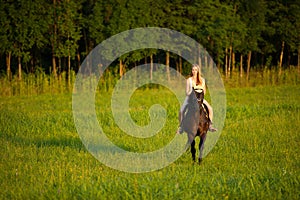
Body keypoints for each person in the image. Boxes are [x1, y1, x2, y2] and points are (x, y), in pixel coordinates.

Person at [177, 64, 217, 134]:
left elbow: (204, 91)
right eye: (193, 70)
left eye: (195, 70)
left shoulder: (202, 80)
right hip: (190, 98)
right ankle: (181, 127)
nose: (194, 71)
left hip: (199, 98)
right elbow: (187, 92)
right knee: (181, 111)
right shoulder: (189, 80)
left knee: (210, 109)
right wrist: (192, 94)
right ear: (191, 71)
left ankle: (210, 125)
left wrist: (199, 96)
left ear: (198, 71)